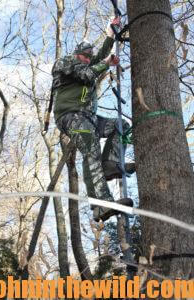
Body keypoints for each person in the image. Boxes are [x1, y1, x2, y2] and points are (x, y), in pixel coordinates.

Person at [52, 17, 135, 222]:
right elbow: (88, 74)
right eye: (85, 56)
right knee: (90, 148)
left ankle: (109, 164)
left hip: (88, 117)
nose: (89, 59)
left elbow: (99, 59)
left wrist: (109, 34)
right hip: (70, 116)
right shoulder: (66, 63)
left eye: (90, 56)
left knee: (121, 126)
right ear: (77, 55)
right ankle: (101, 206)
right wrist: (105, 63)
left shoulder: (87, 63)